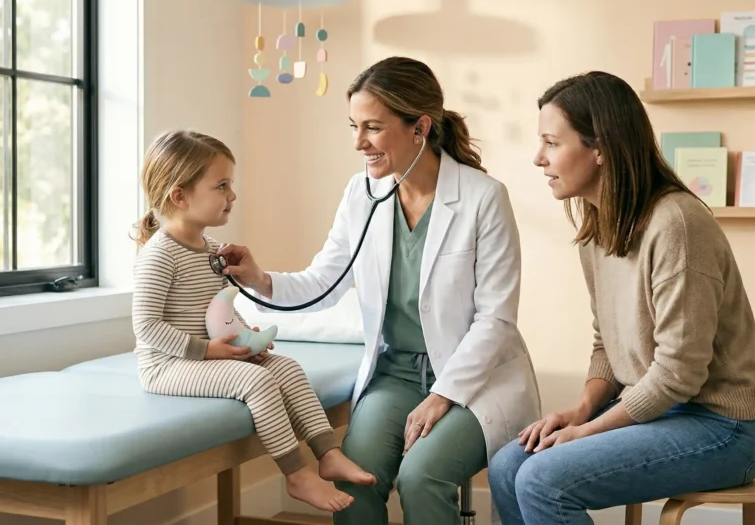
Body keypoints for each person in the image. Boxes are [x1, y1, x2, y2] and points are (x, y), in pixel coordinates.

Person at [217, 56, 542, 525]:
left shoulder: (482, 197)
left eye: (372, 127)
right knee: (354, 477)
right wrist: (258, 279)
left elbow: (496, 320)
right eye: (354, 126)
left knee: (421, 476)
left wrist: (443, 395)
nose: (358, 142)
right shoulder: (360, 194)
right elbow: (322, 282)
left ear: (420, 128)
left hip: (475, 381)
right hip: (395, 375)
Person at [487, 71, 755, 524]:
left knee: (541, 479)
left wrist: (588, 430)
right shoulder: (596, 230)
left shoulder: (677, 225)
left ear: (599, 148)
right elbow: (608, 342)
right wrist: (579, 410)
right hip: (661, 410)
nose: (537, 158)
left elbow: (679, 373)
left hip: (725, 426)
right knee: (508, 467)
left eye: (551, 142)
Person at [130, 129, 376, 514]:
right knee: (257, 380)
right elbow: (146, 328)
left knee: (289, 368)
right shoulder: (160, 255)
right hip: (167, 365)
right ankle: (296, 474)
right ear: (180, 195)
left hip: (209, 355)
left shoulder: (213, 250)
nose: (232, 195)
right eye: (222, 185)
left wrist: (246, 337)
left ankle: (328, 451)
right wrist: (207, 351)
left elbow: (221, 307)